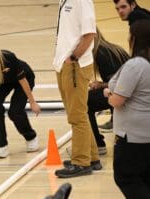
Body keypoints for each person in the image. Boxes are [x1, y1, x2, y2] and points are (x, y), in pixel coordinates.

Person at [53, 0, 102, 178]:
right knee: (77, 113)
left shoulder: (82, 1)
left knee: (77, 115)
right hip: (63, 64)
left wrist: (73, 57)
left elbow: (89, 34)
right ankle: (92, 158)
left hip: (75, 65)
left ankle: (81, 162)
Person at [104, 20, 150, 199]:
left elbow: (117, 100)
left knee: (126, 177)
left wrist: (108, 94)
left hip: (132, 136)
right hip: (145, 135)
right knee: (145, 180)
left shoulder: (136, 65)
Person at [88, 27, 130, 155]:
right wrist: (101, 84)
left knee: (84, 102)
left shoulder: (102, 53)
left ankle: (97, 144)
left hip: (126, 95)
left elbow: (118, 84)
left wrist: (101, 86)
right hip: (128, 92)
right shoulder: (109, 48)